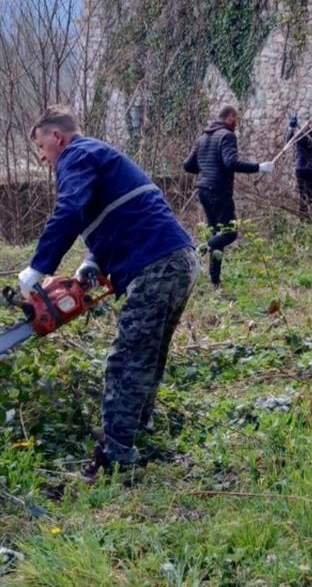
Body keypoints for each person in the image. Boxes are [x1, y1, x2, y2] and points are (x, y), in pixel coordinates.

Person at [17, 105, 199, 478]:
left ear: (57, 137)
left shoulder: (76, 156)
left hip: (156, 265)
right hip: (176, 261)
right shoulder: (97, 154)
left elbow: (70, 209)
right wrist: (92, 263)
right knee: (148, 355)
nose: (42, 156)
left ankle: (116, 454)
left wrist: (38, 267)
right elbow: (118, 215)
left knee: (126, 359)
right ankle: (135, 431)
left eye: (41, 146)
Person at [183, 105, 273, 288]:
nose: (236, 123)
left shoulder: (203, 137)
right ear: (230, 117)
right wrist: (259, 167)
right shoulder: (227, 136)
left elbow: (188, 166)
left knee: (217, 233)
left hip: (203, 191)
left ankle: (215, 281)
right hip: (218, 192)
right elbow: (230, 162)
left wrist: (207, 168)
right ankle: (199, 250)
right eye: (236, 119)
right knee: (230, 233)